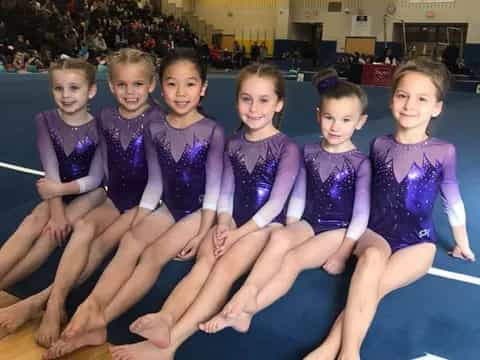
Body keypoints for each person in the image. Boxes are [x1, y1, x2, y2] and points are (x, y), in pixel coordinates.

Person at [109, 63, 300, 360]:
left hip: (265, 227)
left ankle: (171, 346)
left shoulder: (286, 147)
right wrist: (223, 222)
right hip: (234, 221)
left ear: (279, 104)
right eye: (246, 99)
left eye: (263, 100)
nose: (253, 108)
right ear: (237, 100)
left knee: (223, 269)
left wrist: (238, 233)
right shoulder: (234, 143)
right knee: (204, 261)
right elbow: (225, 191)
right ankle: (166, 318)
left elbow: (276, 203)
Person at [44, 51, 225, 359]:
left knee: (152, 255)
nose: (180, 93)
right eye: (172, 84)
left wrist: (202, 231)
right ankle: (92, 304)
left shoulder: (212, 131)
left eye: (190, 84)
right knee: (130, 241)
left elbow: (215, 189)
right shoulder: (155, 128)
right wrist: (139, 218)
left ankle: (101, 319)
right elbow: (155, 183)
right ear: (162, 87)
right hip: (168, 206)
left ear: (203, 88)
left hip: (199, 210)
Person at [305, 58, 475, 360]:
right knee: (370, 260)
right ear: (392, 99)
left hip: (419, 240)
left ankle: (332, 349)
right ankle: (349, 352)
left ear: (436, 107)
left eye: (422, 99)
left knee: (376, 287)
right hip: (376, 232)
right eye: (402, 95)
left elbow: (452, 198)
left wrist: (462, 244)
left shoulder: (443, 151)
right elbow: (366, 193)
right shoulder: (379, 145)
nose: (410, 105)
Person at [0, 49, 160, 347]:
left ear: (151, 85)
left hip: (147, 203)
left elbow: (160, 178)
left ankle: (42, 302)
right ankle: (55, 302)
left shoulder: (158, 122)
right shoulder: (106, 118)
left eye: (138, 84)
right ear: (111, 86)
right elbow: (98, 170)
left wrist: (141, 213)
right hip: (115, 198)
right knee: (84, 228)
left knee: (99, 243)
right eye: (122, 85)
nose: (130, 92)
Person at [200, 70, 371, 335]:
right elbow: (300, 194)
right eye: (329, 118)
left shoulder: (360, 162)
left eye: (345, 120)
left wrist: (343, 251)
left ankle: (247, 309)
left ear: (360, 122)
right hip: (309, 222)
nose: (336, 127)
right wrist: (293, 227)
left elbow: (361, 214)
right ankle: (248, 291)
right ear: (318, 116)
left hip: (339, 229)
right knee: (280, 239)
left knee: (292, 260)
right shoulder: (310, 152)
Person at [0, 58, 106, 337]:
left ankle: (10, 288)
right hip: (58, 190)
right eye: (59, 88)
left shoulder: (100, 129)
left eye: (74, 88)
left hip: (91, 193)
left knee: (49, 235)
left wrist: (58, 194)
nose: (66, 95)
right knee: (31, 222)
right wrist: (56, 209)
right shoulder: (45, 121)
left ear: (91, 91)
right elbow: (51, 171)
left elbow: (95, 179)